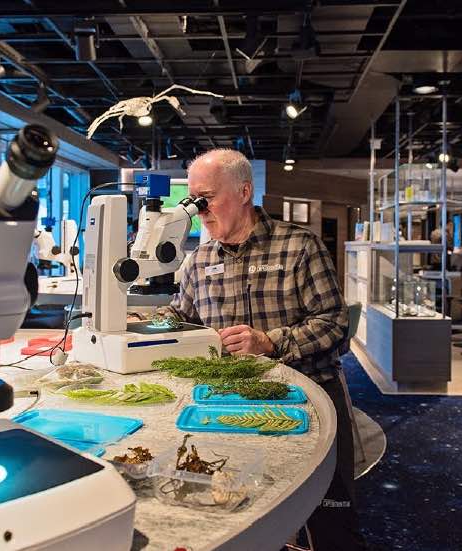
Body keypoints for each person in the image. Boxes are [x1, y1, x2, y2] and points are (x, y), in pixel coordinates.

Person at [158, 148, 364, 550]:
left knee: (333, 523)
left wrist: (271, 342)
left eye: (207, 197)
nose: (198, 209)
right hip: (227, 405)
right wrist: (138, 324)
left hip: (308, 401)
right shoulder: (198, 260)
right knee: (241, 511)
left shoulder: (300, 246)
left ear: (244, 191)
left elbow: (335, 324)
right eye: (193, 199)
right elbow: (181, 317)